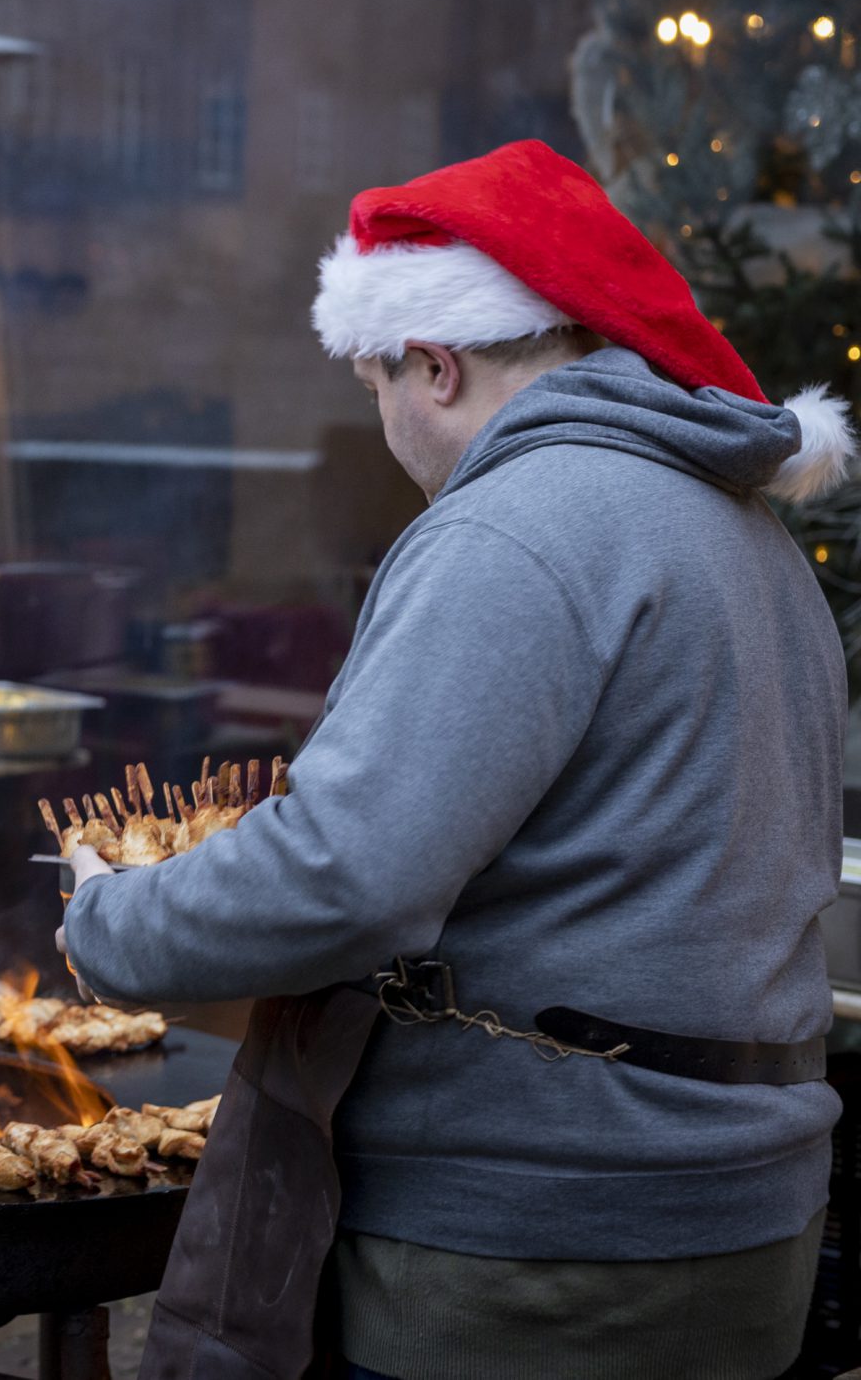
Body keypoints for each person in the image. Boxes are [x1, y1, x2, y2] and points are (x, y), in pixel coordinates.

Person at [59, 140, 852, 1380]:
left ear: (434, 364)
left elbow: (344, 880)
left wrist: (110, 921)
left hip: (538, 1252)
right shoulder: (746, 533)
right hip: (746, 1220)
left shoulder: (509, 527)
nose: (380, 426)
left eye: (374, 386)